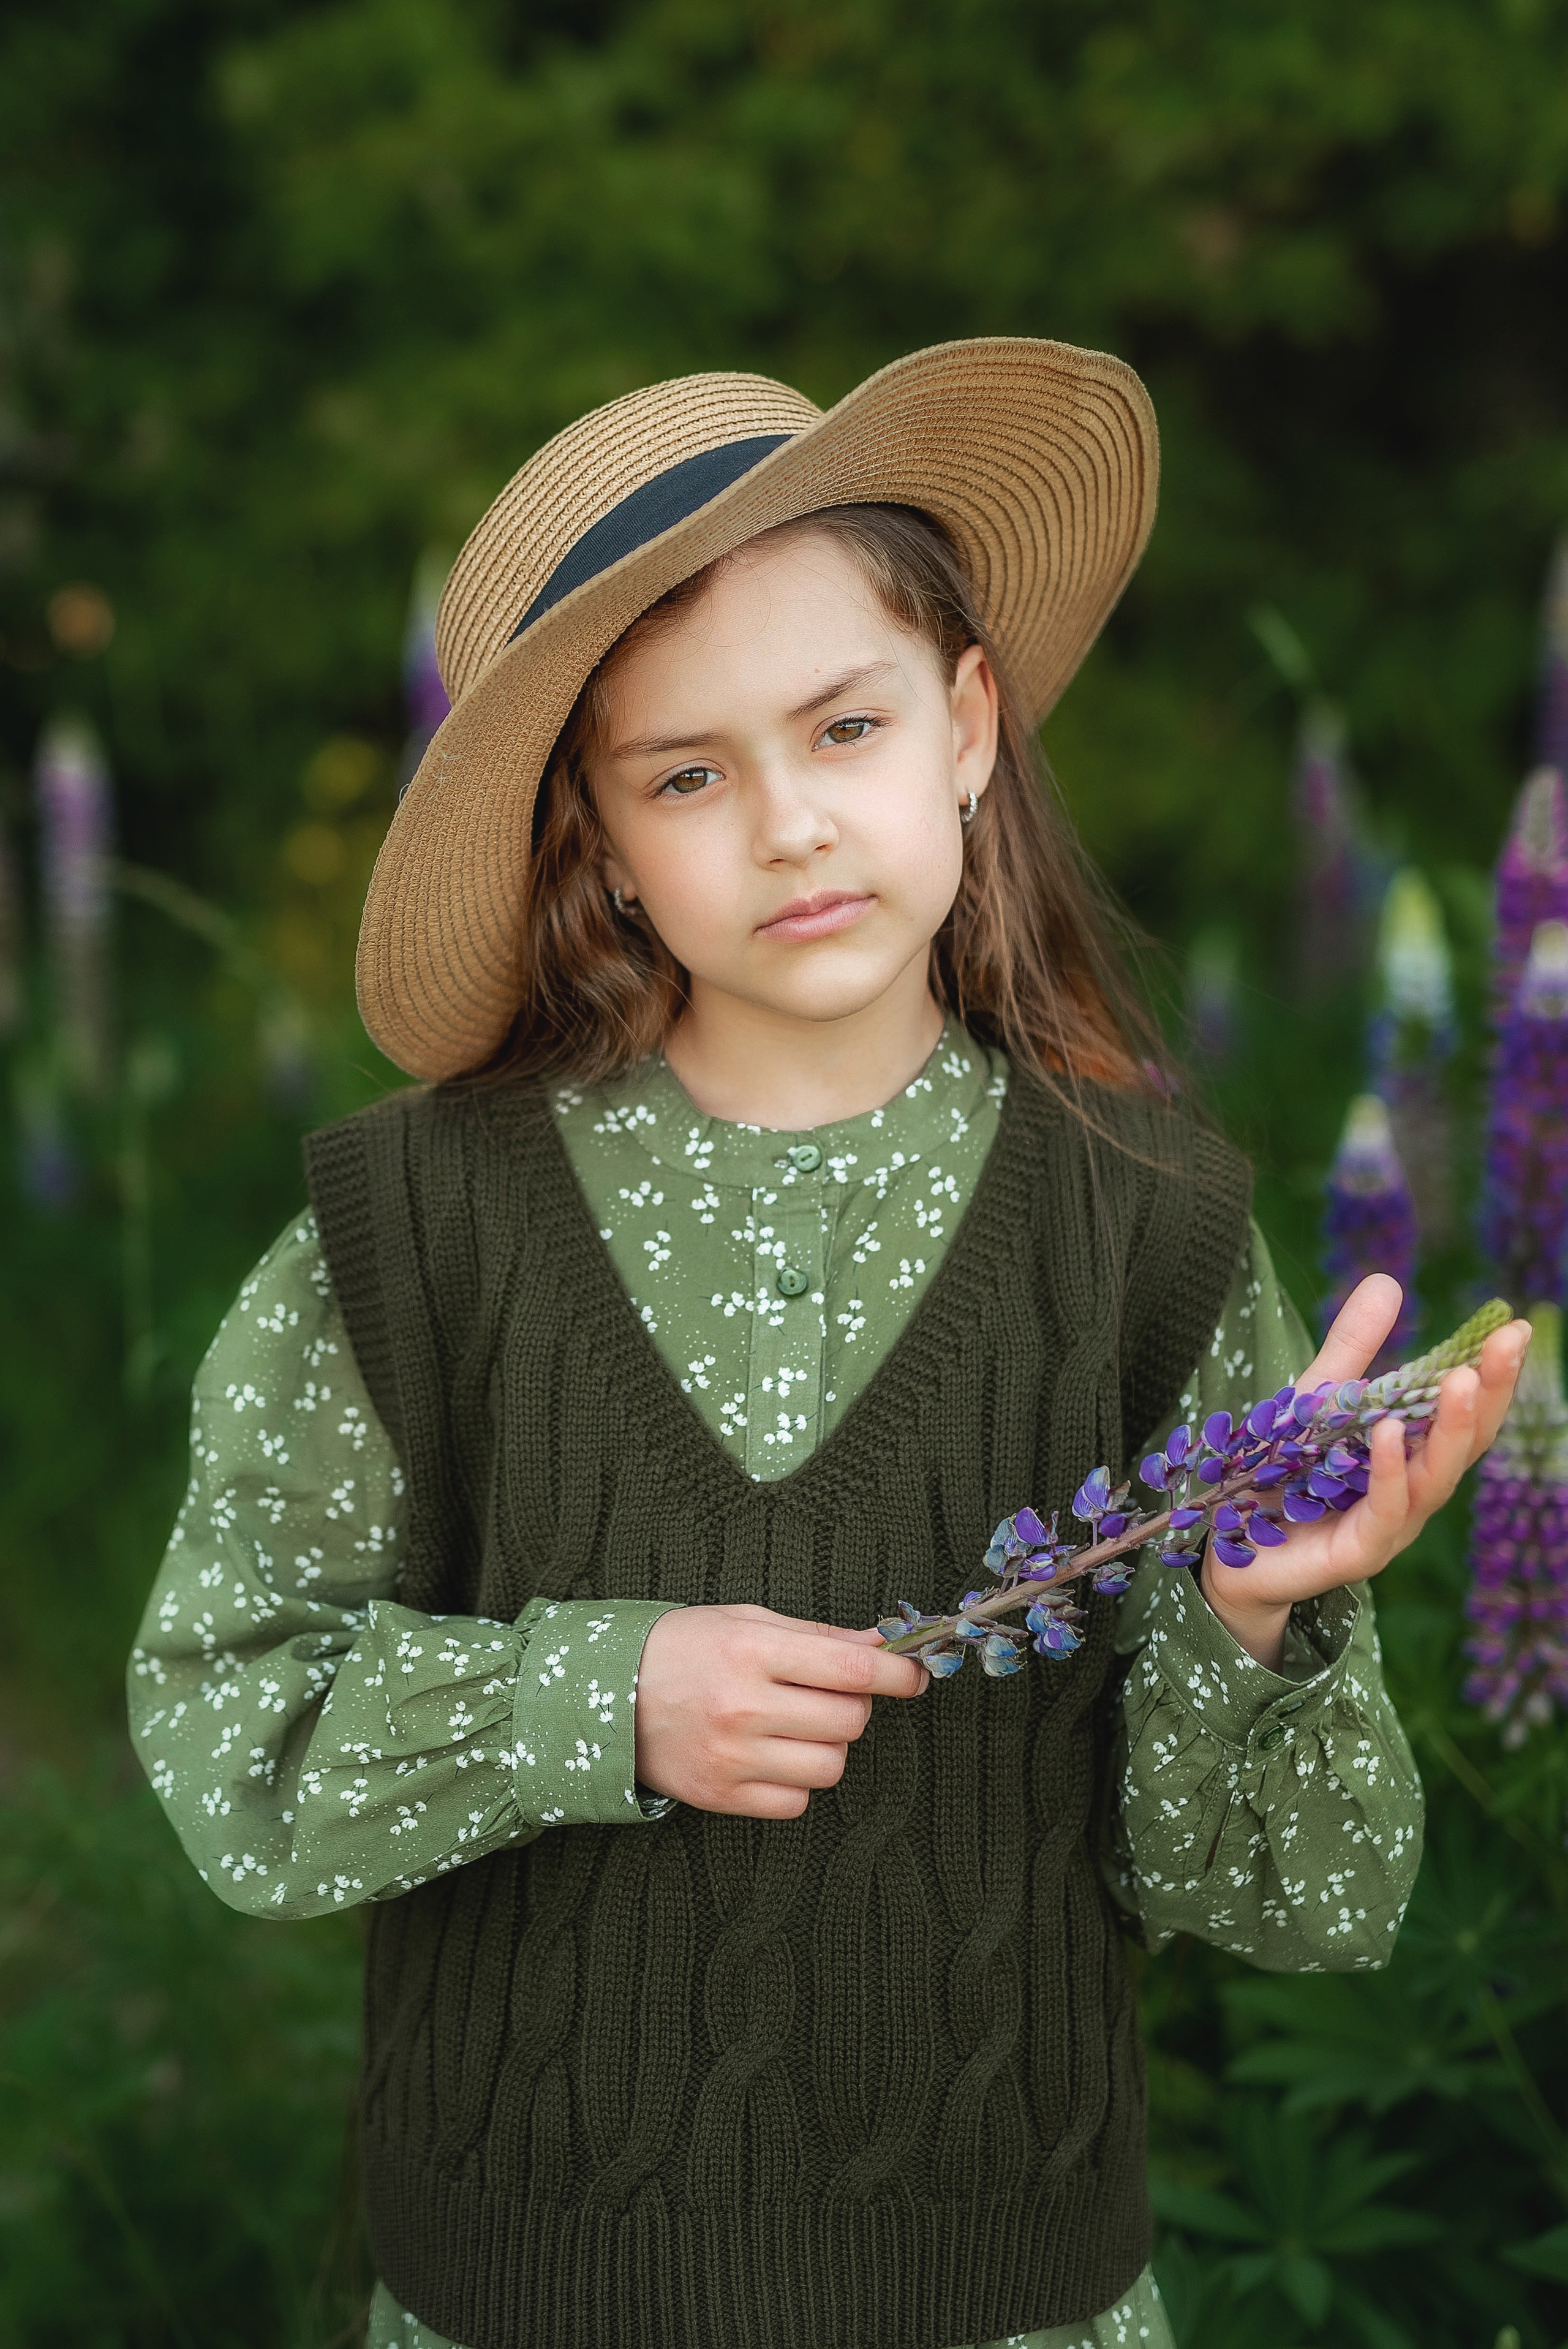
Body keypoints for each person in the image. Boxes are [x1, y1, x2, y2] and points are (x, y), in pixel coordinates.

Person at [127, 339, 1528, 2349]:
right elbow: (225, 1726)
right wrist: (594, 1697)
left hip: (1007, 2302)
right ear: (597, 840)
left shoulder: (1145, 1231)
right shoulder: (418, 1230)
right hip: (533, 2299)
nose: (789, 824)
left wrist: (1253, 1620)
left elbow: (1303, 1901)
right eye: (687, 774)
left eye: (844, 726)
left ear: (966, 723)